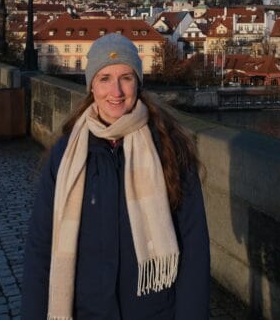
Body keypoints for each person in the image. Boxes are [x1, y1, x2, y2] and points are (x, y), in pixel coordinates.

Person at [21, 33, 210, 319]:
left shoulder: (170, 149)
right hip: (87, 310)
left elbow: (194, 249)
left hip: (154, 310)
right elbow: (40, 246)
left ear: (138, 83)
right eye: (105, 78)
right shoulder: (67, 153)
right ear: (91, 86)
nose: (117, 91)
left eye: (126, 78)